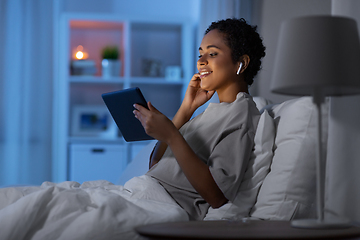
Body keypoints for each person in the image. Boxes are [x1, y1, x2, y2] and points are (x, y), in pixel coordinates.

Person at [133, 18, 266, 220]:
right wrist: (187, 109)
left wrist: (171, 135)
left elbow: (217, 196)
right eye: (200, 54)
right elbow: (155, 164)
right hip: (140, 195)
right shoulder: (212, 113)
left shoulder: (242, 115)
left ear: (241, 63)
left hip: (160, 208)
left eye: (212, 54)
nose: (201, 61)